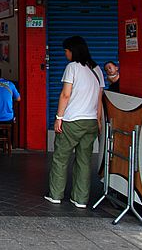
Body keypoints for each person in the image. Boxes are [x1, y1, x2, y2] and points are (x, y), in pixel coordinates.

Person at [45, 36, 105, 209]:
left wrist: (58, 118)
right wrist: (98, 120)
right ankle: (80, 199)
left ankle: (55, 195)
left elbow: (65, 94)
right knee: (84, 160)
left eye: (66, 51)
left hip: (72, 121)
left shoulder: (72, 67)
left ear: (73, 51)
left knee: (60, 158)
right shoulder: (97, 69)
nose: (65, 54)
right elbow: (99, 98)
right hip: (91, 121)